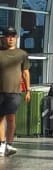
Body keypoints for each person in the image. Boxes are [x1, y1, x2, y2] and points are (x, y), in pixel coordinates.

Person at [0, 27, 31, 158]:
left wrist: (28, 90)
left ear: (16, 37)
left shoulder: (22, 54)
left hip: (14, 92)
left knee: (11, 117)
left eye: (13, 35)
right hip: (0, 91)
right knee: (0, 118)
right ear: (3, 38)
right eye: (8, 36)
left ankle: (9, 144)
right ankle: (1, 144)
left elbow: (25, 72)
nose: (10, 38)